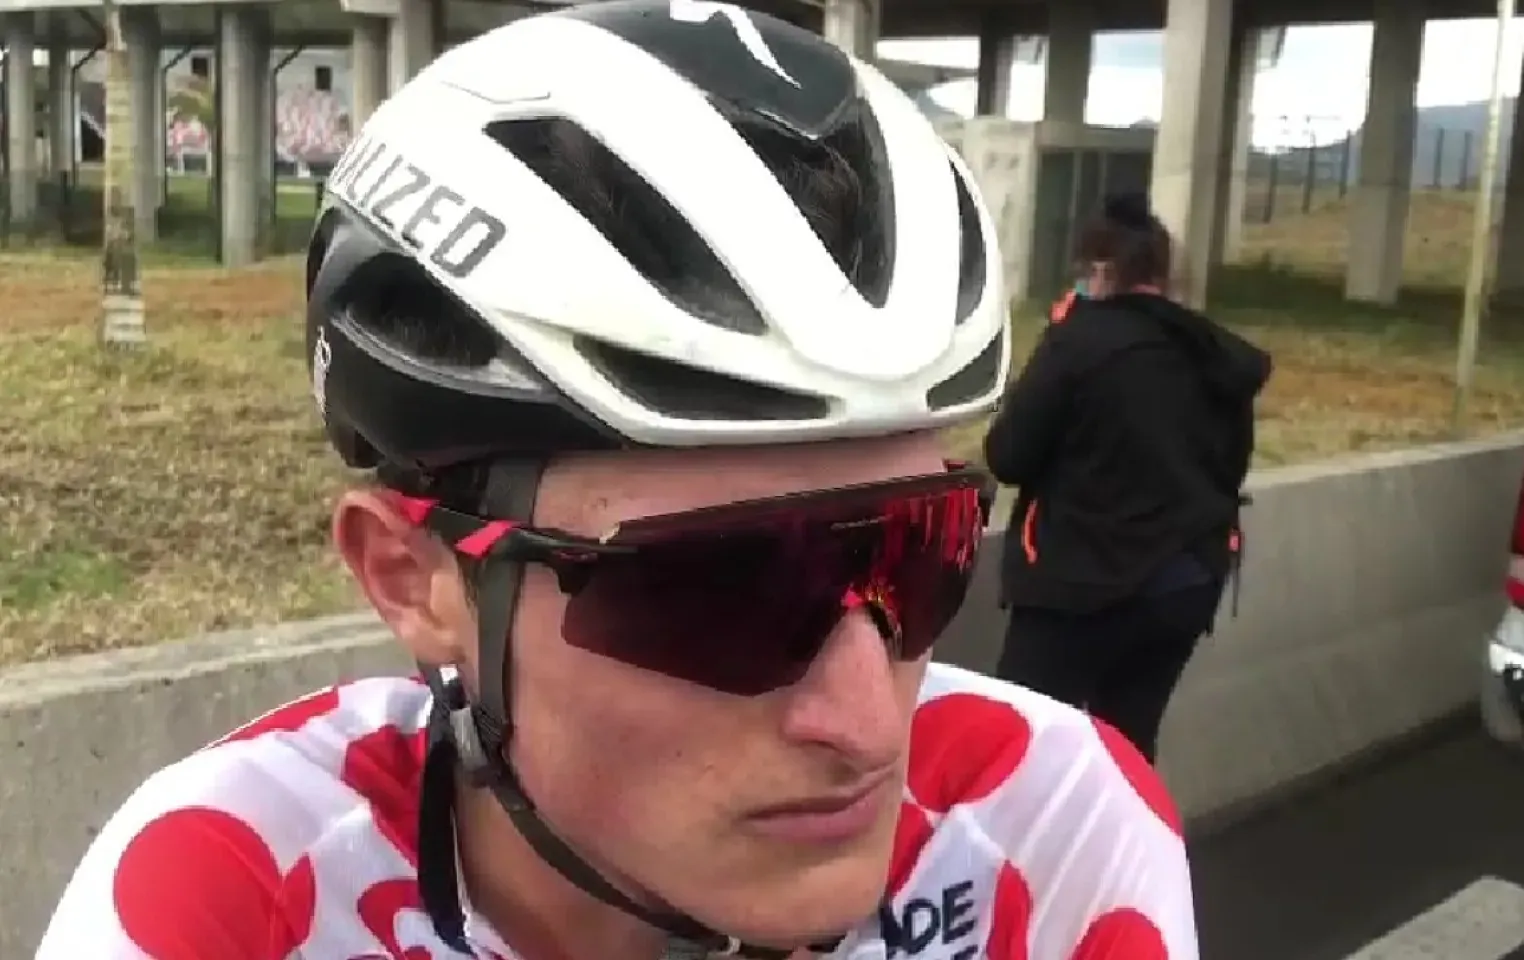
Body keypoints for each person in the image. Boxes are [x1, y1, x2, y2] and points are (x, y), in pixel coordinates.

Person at [34, 5, 1200, 960]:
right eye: (722, 594)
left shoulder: (1045, 832)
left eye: (921, 552)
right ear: (412, 576)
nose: (861, 724)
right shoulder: (229, 904)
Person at [983, 194, 1272, 765]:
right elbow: (1230, 465)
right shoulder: (1211, 350)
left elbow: (1009, 455)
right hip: (1186, 580)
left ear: (1099, 269)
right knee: (1128, 750)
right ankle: (1123, 825)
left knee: (1023, 749)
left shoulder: (1077, 340)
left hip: (1079, 585)